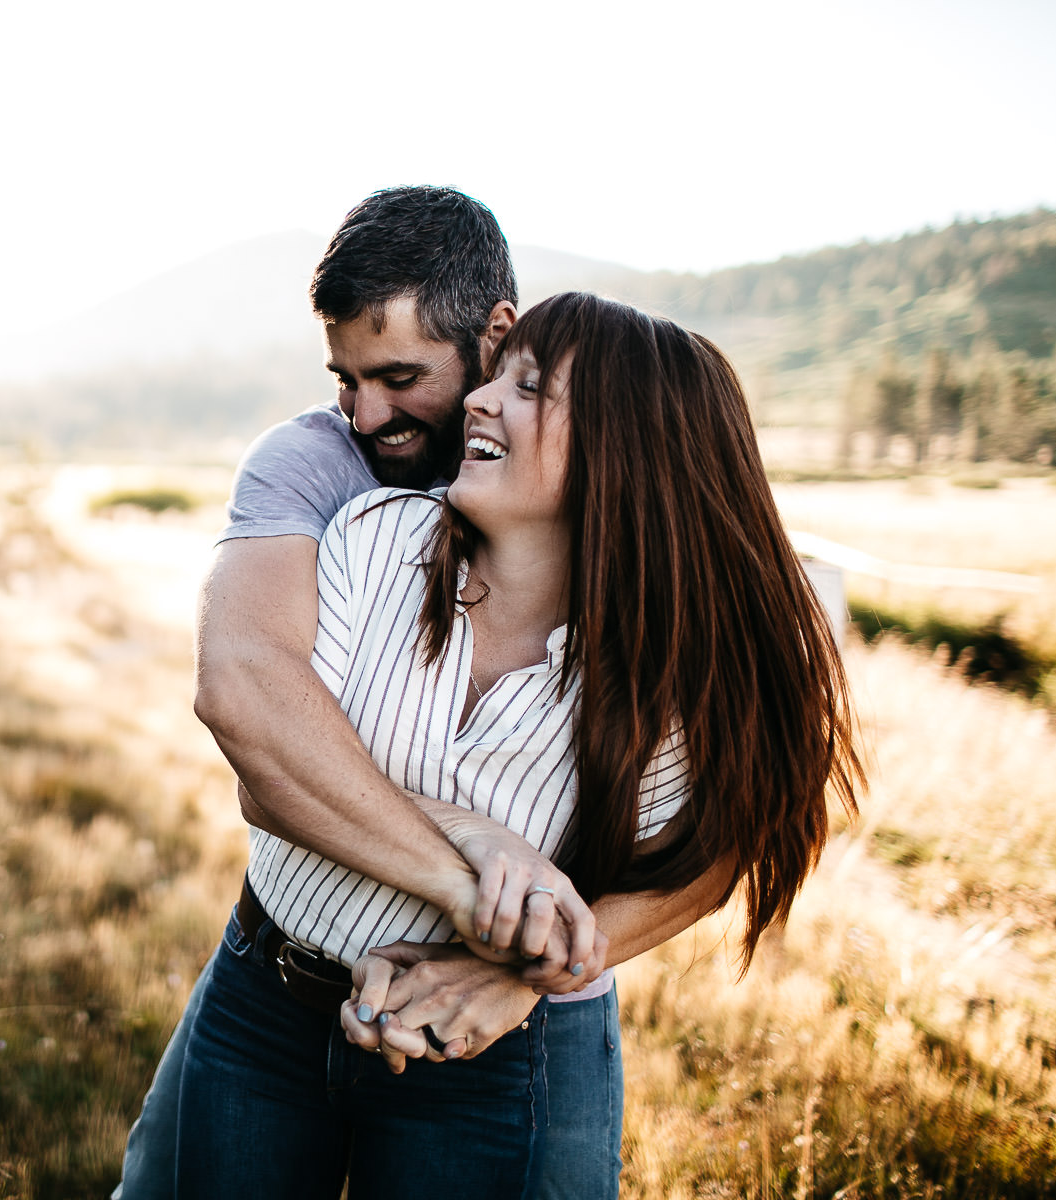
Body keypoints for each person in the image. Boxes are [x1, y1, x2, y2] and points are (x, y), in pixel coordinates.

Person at [173, 290, 863, 1198]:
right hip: (267, 1004)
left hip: (502, 1057)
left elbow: (717, 844)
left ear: (630, 447)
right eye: (495, 376)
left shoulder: (672, 673)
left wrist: (524, 976)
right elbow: (271, 775)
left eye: (529, 389)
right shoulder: (374, 543)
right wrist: (473, 844)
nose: (479, 402)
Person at [116, 188, 719, 1200]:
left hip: (509, 1038)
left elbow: (742, 824)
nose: (365, 415)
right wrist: (472, 861)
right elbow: (256, 716)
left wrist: (523, 971)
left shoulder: (661, 585)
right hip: (276, 981)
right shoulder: (338, 492)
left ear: (495, 340)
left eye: (400, 378)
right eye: (346, 378)